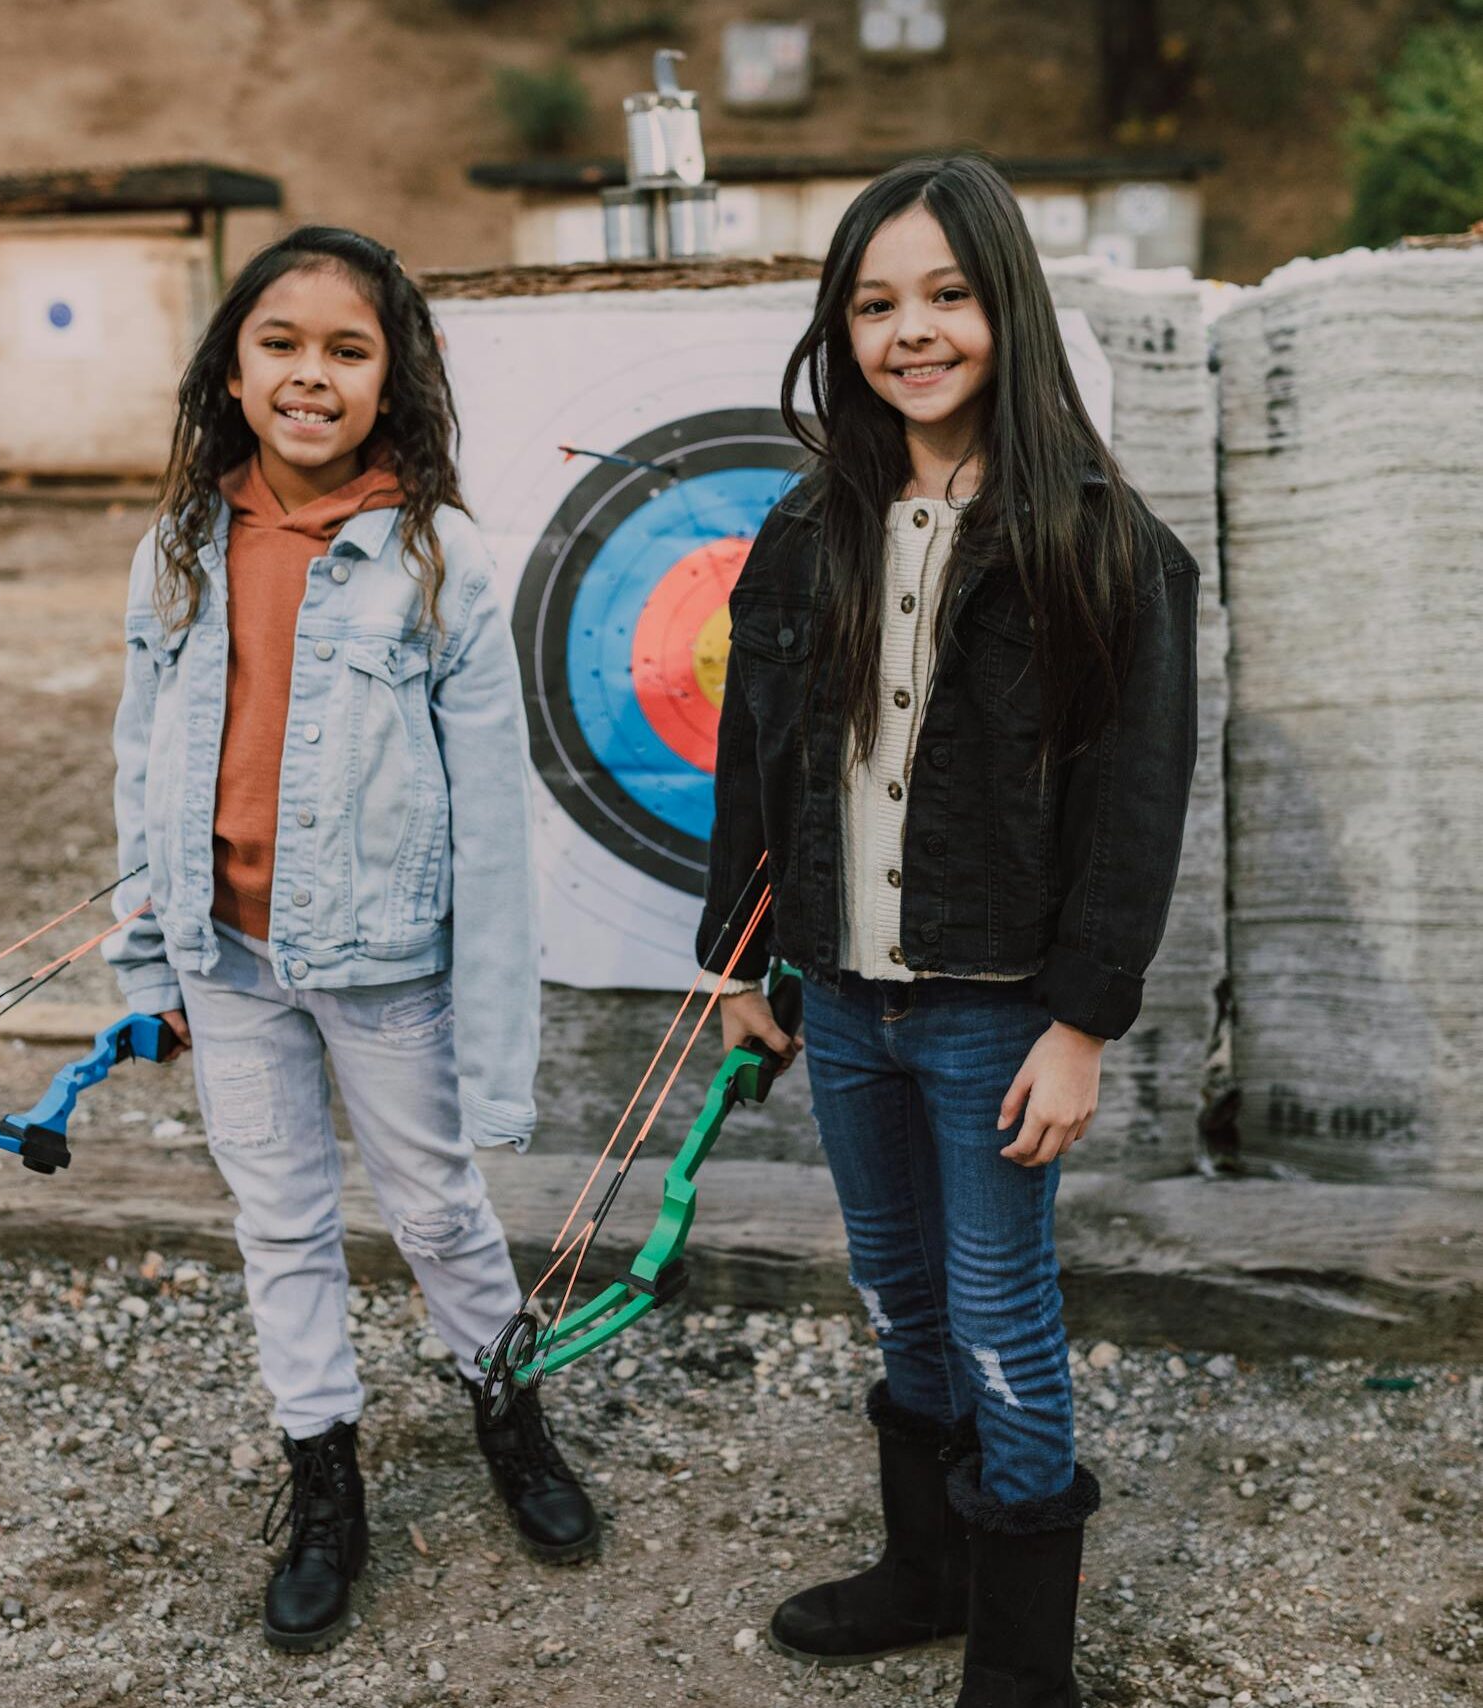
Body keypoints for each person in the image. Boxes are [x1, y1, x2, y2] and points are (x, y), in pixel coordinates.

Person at [698, 157, 1199, 1703]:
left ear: (1009, 308)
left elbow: (1135, 805)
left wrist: (1082, 1024)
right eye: (874, 303)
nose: (911, 331)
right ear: (841, 328)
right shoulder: (810, 528)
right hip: (844, 997)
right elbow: (755, 748)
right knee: (897, 1288)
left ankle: (1024, 1660)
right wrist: (740, 955)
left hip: (997, 1012)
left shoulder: (1105, 541)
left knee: (997, 1311)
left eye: (947, 295)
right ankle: (927, 1572)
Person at [104, 226, 598, 1654]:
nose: (310, 375)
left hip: (387, 967)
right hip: (227, 956)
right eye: (280, 343)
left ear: (396, 381)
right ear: (232, 367)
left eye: (347, 349)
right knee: (281, 1225)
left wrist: (501, 1053)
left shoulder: (441, 559)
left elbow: (496, 827)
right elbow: (141, 760)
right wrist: (154, 961)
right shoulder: (179, 544)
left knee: (437, 1207)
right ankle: (327, 1489)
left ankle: (509, 1419)